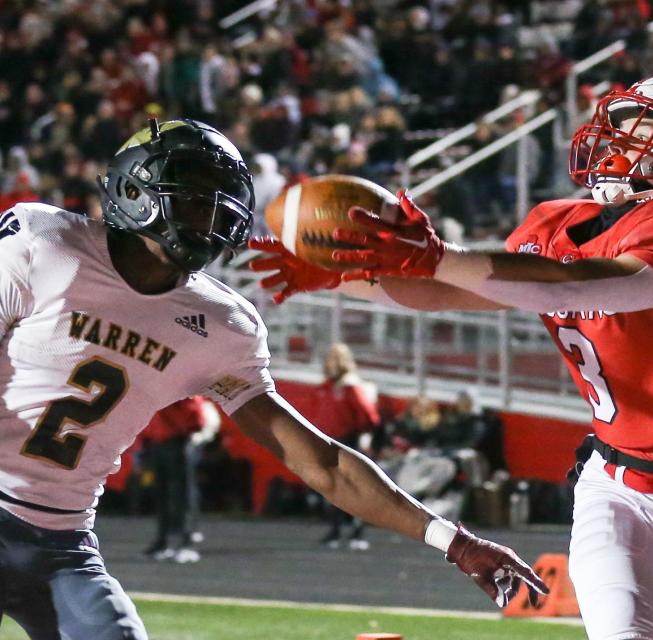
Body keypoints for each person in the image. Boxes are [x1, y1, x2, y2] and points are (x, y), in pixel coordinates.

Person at [252, 75, 653, 640]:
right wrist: (341, 276)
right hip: (621, 493)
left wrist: (439, 256)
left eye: (641, 129)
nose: (618, 141)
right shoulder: (558, 224)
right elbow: (446, 290)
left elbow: (574, 286)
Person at [0, 118, 547, 639]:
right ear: (136, 189)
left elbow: (323, 462)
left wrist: (455, 541)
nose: (209, 218)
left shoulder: (219, 325)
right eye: (193, 197)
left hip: (62, 542)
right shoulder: (43, 244)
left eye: (219, 204)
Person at [313, 342, 380, 550]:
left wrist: (361, 437)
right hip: (329, 442)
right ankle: (335, 530)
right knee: (332, 488)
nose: (332, 362)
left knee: (354, 489)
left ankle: (356, 532)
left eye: (336, 358)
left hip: (349, 443)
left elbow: (369, 418)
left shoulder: (351, 387)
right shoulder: (326, 387)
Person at [141, 395, 208, 563]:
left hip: (178, 441)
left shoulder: (179, 384)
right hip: (159, 441)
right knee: (162, 495)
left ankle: (187, 543)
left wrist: (177, 428)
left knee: (183, 495)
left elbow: (195, 415)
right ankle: (163, 541)